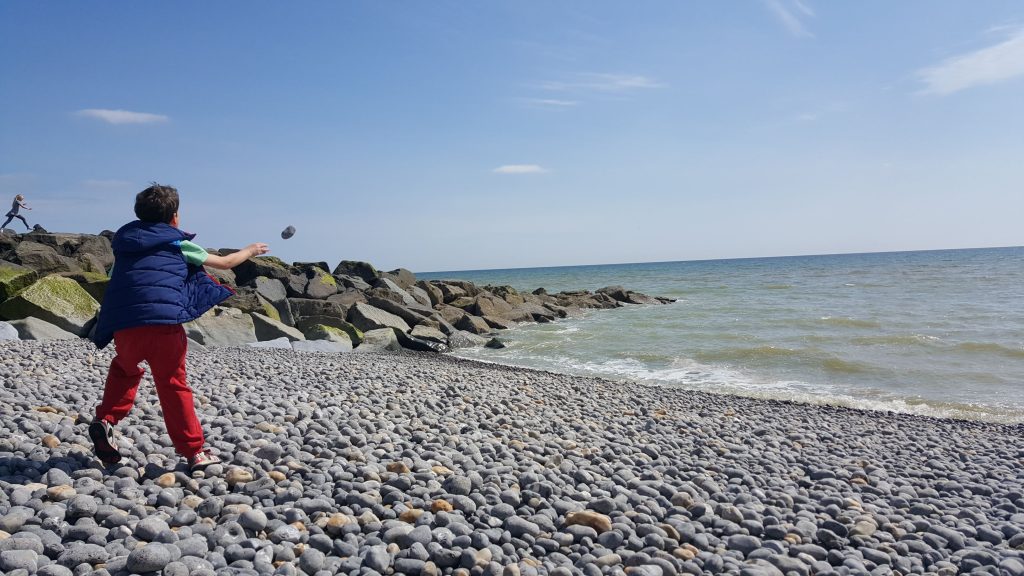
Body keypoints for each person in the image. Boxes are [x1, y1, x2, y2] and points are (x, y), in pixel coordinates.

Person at [89, 183, 269, 472]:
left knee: (125, 369)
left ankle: (106, 420)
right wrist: (250, 250)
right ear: (175, 217)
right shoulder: (177, 243)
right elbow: (224, 263)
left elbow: (119, 280)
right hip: (164, 325)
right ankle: (195, 452)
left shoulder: (123, 246)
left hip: (125, 325)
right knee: (173, 384)